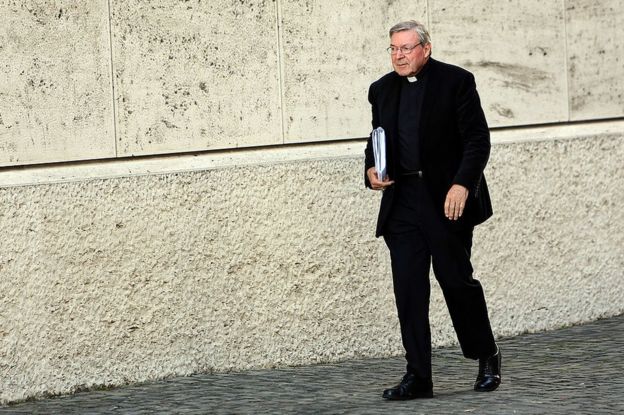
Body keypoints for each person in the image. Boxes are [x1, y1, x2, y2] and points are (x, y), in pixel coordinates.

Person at [364, 20, 501, 400]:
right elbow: (376, 140)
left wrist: (461, 184)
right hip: (402, 201)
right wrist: (371, 170)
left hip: (446, 200)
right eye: (393, 48)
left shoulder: (456, 81)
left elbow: (478, 140)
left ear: (425, 48)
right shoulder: (381, 90)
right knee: (408, 290)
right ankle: (418, 376)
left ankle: (486, 354)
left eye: (406, 48)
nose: (399, 55)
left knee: (456, 281)